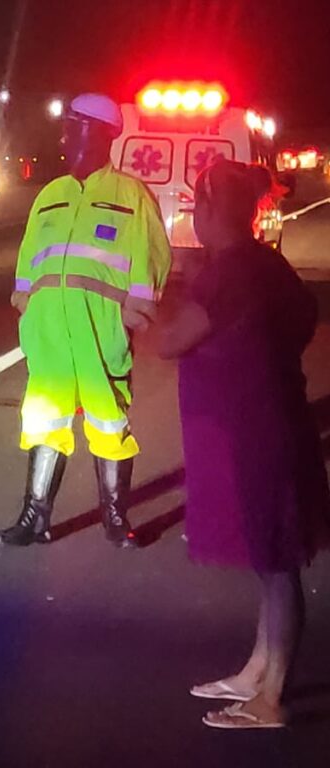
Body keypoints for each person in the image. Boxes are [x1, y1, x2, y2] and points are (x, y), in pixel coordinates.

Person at [158, 159, 330, 729]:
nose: (194, 217)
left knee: (277, 562)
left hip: (260, 434)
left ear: (212, 210)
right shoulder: (267, 263)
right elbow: (304, 316)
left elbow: (172, 340)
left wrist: (138, 312)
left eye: (197, 207)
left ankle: (271, 698)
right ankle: (258, 669)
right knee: (268, 555)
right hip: (276, 421)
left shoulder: (229, 271)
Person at [0, 93, 172, 548]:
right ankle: (33, 519)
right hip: (51, 334)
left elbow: (153, 259)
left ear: (101, 132)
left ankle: (116, 519)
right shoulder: (49, 195)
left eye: (74, 125)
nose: (64, 133)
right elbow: (28, 261)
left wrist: (132, 315)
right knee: (43, 420)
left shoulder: (131, 194)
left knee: (108, 421)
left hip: (100, 331)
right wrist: (27, 306)